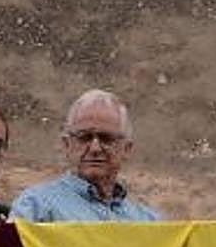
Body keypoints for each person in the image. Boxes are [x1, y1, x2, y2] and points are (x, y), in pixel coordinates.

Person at [11, 89, 160, 222]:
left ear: (126, 149)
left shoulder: (148, 222)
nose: (95, 148)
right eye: (84, 137)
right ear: (66, 145)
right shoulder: (36, 208)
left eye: (106, 138)